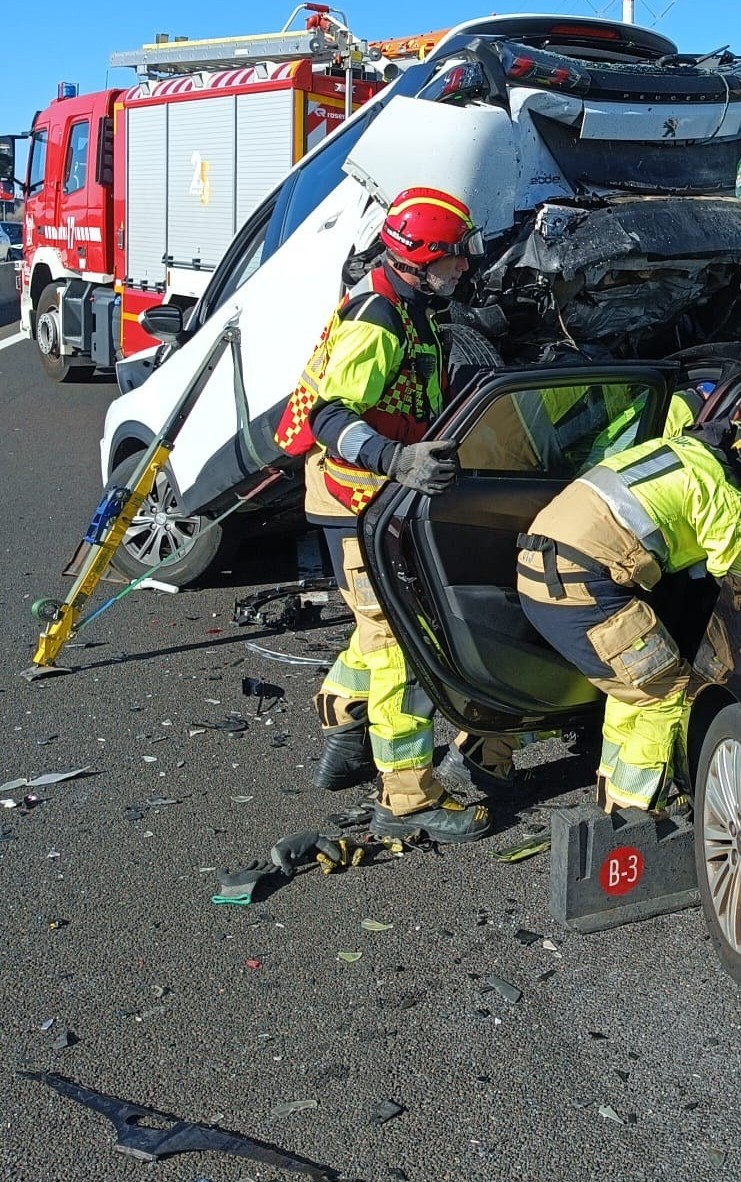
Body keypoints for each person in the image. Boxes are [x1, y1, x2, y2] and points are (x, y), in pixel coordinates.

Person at [273, 185, 490, 843]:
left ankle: (345, 714)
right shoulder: (379, 321)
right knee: (400, 642)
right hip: (356, 500)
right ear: (419, 259)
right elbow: (330, 416)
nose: (465, 266)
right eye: (455, 256)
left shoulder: (410, 305)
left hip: (372, 498)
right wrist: (396, 460)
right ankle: (407, 798)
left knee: (378, 625)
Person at [512, 416, 741, 811]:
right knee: (666, 689)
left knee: (632, 685)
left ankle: (609, 799)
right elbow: (740, 587)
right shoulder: (721, 489)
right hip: (579, 585)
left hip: (537, 571)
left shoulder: (677, 451)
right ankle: (632, 815)